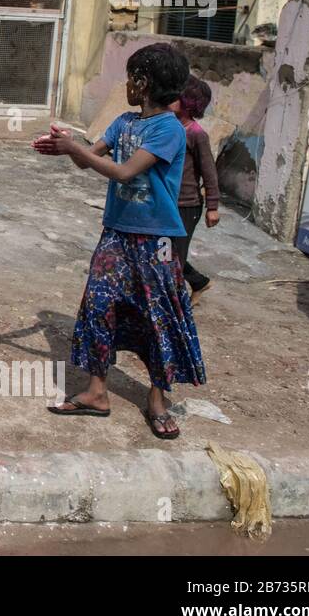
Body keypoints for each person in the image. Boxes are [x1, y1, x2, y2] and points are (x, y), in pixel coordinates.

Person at [32, 42, 205, 440]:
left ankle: (158, 400)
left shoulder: (170, 131)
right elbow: (89, 158)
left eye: (131, 77)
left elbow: (124, 172)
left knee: (158, 318)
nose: (127, 84)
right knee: (98, 306)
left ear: (143, 83)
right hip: (116, 234)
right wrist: (67, 144)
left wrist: (75, 149)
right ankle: (97, 392)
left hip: (156, 240)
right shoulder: (123, 123)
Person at [170, 76, 220, 300]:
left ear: (188, 102)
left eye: (176, 96)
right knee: (165, 251)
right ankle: (199, 282)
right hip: (169, 201)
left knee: (175, 256)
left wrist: (213, 207)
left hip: (187, 206)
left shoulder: (197, 134)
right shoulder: (170, 126)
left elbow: (209, 173)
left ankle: (175, 307)